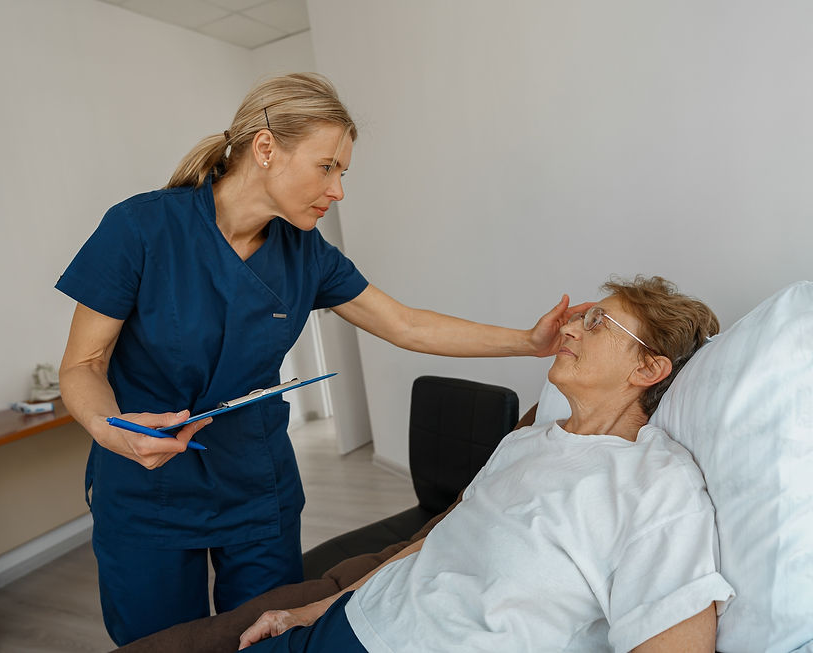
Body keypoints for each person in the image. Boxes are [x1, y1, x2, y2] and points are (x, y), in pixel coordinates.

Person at [55, 73, 587, 646]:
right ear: (265, 149)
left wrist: (528, 342)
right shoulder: (141, 228)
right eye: (326, 167)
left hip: (255, 484)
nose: (337, 190)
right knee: (157, 643)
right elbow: (83, 365)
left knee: (262, 633)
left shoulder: (306, 252)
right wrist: (112, 429)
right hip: (145, 485)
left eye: (342, 172)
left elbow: (405, 324)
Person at [237, 276, 736, 652]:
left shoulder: (657, 486)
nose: (570, 327)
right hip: (345, 624)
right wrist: (310, 612)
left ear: (647, 367)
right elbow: (434, 544)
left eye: (597, 322)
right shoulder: (527, 442)